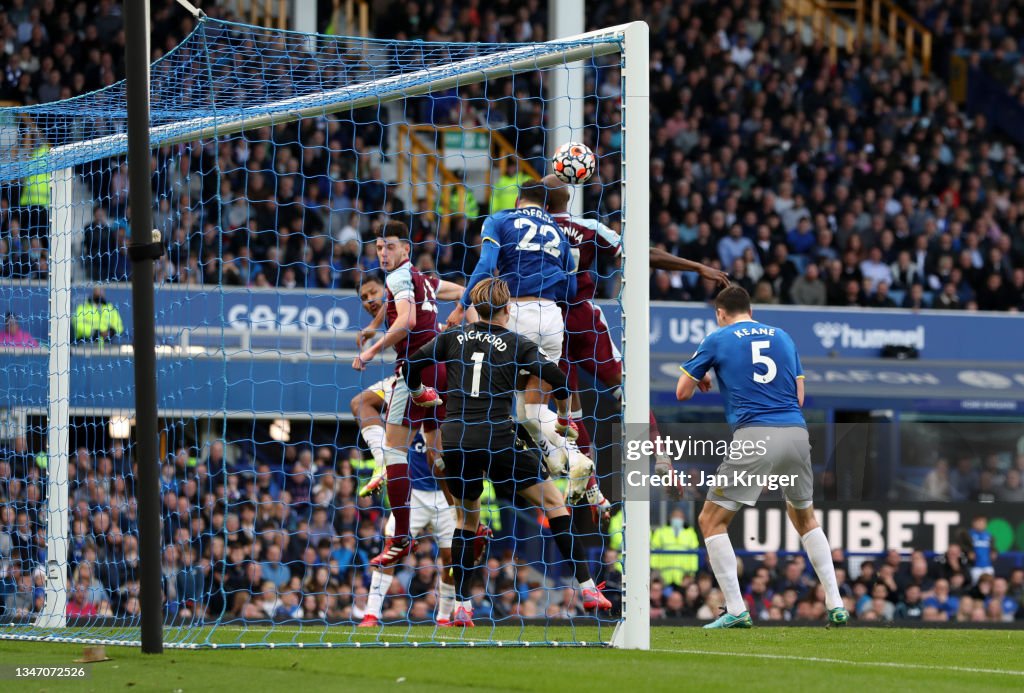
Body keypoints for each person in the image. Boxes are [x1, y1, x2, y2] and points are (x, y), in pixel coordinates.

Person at [407, 277, 611, 626]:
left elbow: (412, 364)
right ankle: (588, 587)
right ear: (507, 309)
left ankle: (461, 606)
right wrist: (564, 419)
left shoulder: (452, 337)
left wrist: (419, 393)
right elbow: (559, 379)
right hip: (498, 438)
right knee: (554, 504)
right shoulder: (517, 343)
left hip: (455, 440)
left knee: (466, 520)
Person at [676, 285, 849, 628]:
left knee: (711, 522)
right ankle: (836, 603)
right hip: (797, 434)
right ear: (750, 309)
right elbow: (799, 396)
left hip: (756, 435)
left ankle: (736, 609)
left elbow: (682, 392)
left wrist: (705, 377)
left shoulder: (718, 337)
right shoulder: (783, 337)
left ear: (720, 313)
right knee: (805, 519)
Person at [447, 179, 579, 478]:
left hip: (515, 314)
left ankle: (559, 454)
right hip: (552, 316)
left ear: (519, 199)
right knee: (528, 410)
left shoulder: (500, 219)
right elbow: (571, 288)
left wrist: (461, 305)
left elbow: (485, 267)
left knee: (503, 403)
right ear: (546, 206)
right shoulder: (560, 233)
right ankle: (566, 456)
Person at [351, 221, 465, 567]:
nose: (383, 254)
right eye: (379, 248)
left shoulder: (398, 277)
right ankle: (466, 519)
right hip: (442, 367)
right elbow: (465, 291)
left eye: (389, 247)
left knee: (393, 451)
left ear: (405, 249)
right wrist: (455, 322)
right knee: (436, 451)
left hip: (414, 369)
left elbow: (406, 322)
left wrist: (371, 351)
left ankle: (400, 538)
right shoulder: (423, 279)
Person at [359, 431, 458, 627]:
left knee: (451, 558)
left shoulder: (448, 416)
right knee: (391, 549)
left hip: (445, 495)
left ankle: (444, 617)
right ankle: (371, 614)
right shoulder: (411, 416)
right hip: (413, 494)